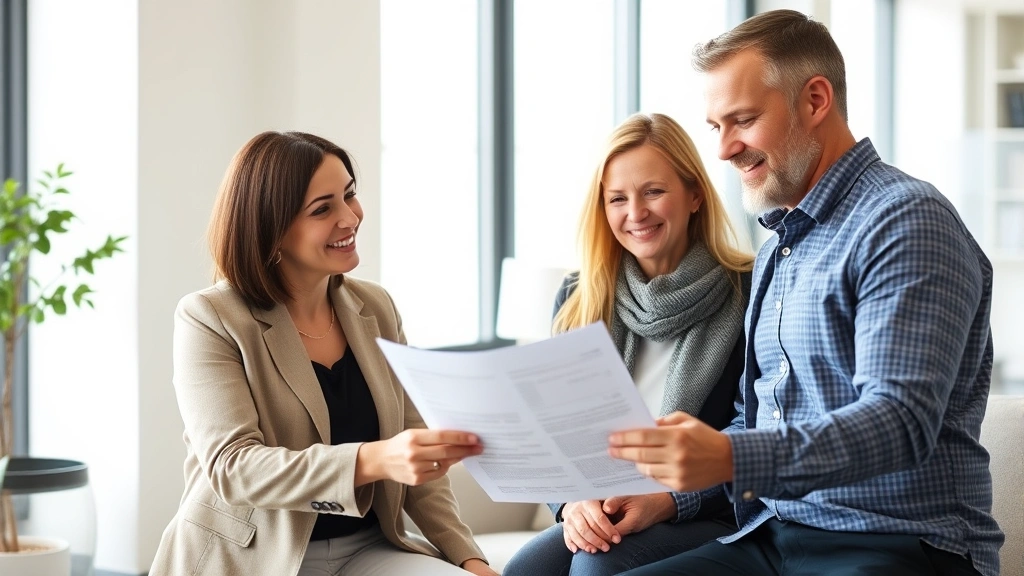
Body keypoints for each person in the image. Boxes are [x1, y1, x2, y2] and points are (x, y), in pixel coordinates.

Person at [608, 10, 1004, 576]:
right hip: (774, 536)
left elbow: (899, 422)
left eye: (742, 120)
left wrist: (726, 454)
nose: (723, 150)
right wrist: (671, 496)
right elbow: (758, 419)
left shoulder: (905, 221)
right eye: (715, 126)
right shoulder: (780, 242)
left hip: (900, 545)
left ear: (816, 100)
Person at [149, 131, 498, 576]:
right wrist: (373, 459)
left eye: (350, 195)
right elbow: (234, 468)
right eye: (323, 209)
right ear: (271, 230)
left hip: (369, 548)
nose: (350, 217)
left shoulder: (377, 307)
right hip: (256, 558)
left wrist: (468, 557)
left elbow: (418, 456)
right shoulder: (209, 317)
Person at [503, 112, 754, 576]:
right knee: (525, 570)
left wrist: (668, 500)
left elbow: (754, 432)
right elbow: (556, 431)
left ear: (695, 194)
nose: (635, 214)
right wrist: (571, 502)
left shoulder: (749, 289)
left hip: (705, 511)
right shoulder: (580, 295)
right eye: (617, 198)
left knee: (596, 569)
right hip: (605, 502)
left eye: (653, 192)